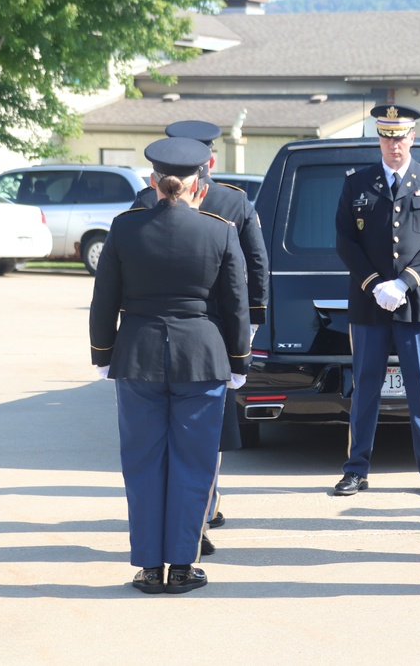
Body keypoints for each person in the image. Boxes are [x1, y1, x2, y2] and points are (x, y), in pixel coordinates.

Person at [90, 136, 251, 594]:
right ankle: (181, 565)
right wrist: (239, 361)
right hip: (201, 357)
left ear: (152, 181)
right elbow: (235, 304)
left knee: (142, 464)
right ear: (199, 182)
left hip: (138, 354)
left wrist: (103, 354)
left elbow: (104, 301)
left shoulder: (124, 227)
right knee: (193, 463)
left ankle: (147, 566)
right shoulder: (219, 229)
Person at [133, 120, 269, 538]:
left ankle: (200, 511)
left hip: (186, 332)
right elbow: (257, 268)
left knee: (189, 433)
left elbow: (257, 265)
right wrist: (250, 327)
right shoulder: (228, 201)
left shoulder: (226, 202)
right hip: (202, 333)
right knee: (194, 432)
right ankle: (200, 512)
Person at [333, 104, 420, 497]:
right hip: (369, 304)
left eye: (400, 137)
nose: (393, 145)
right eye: (386, 137)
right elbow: (345, 241)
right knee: (365, 387)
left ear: (412, 138)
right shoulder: (357, 182)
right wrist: (374, 284)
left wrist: (404, 283)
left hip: (417, 303)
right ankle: (356, 469)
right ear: (379, 140)